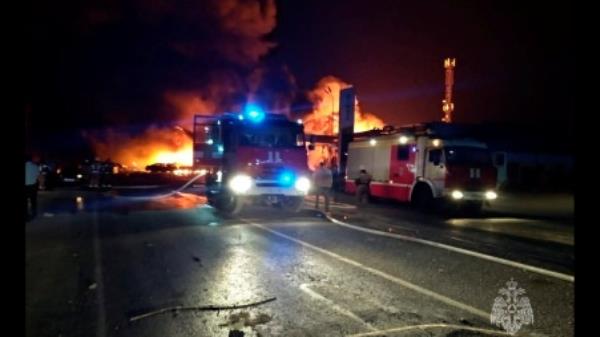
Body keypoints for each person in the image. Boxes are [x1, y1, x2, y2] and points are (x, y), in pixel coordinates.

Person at [25, 155, 40, 221]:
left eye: (38, 159)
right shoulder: (26, 165)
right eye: (36, 159)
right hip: (27, 186)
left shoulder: (36, 167)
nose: (37, 160)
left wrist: (41, 184)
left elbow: (38, 176)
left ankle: (33, 213)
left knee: (33, 200)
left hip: (33, 186)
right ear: (33, 158)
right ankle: (27, 215)